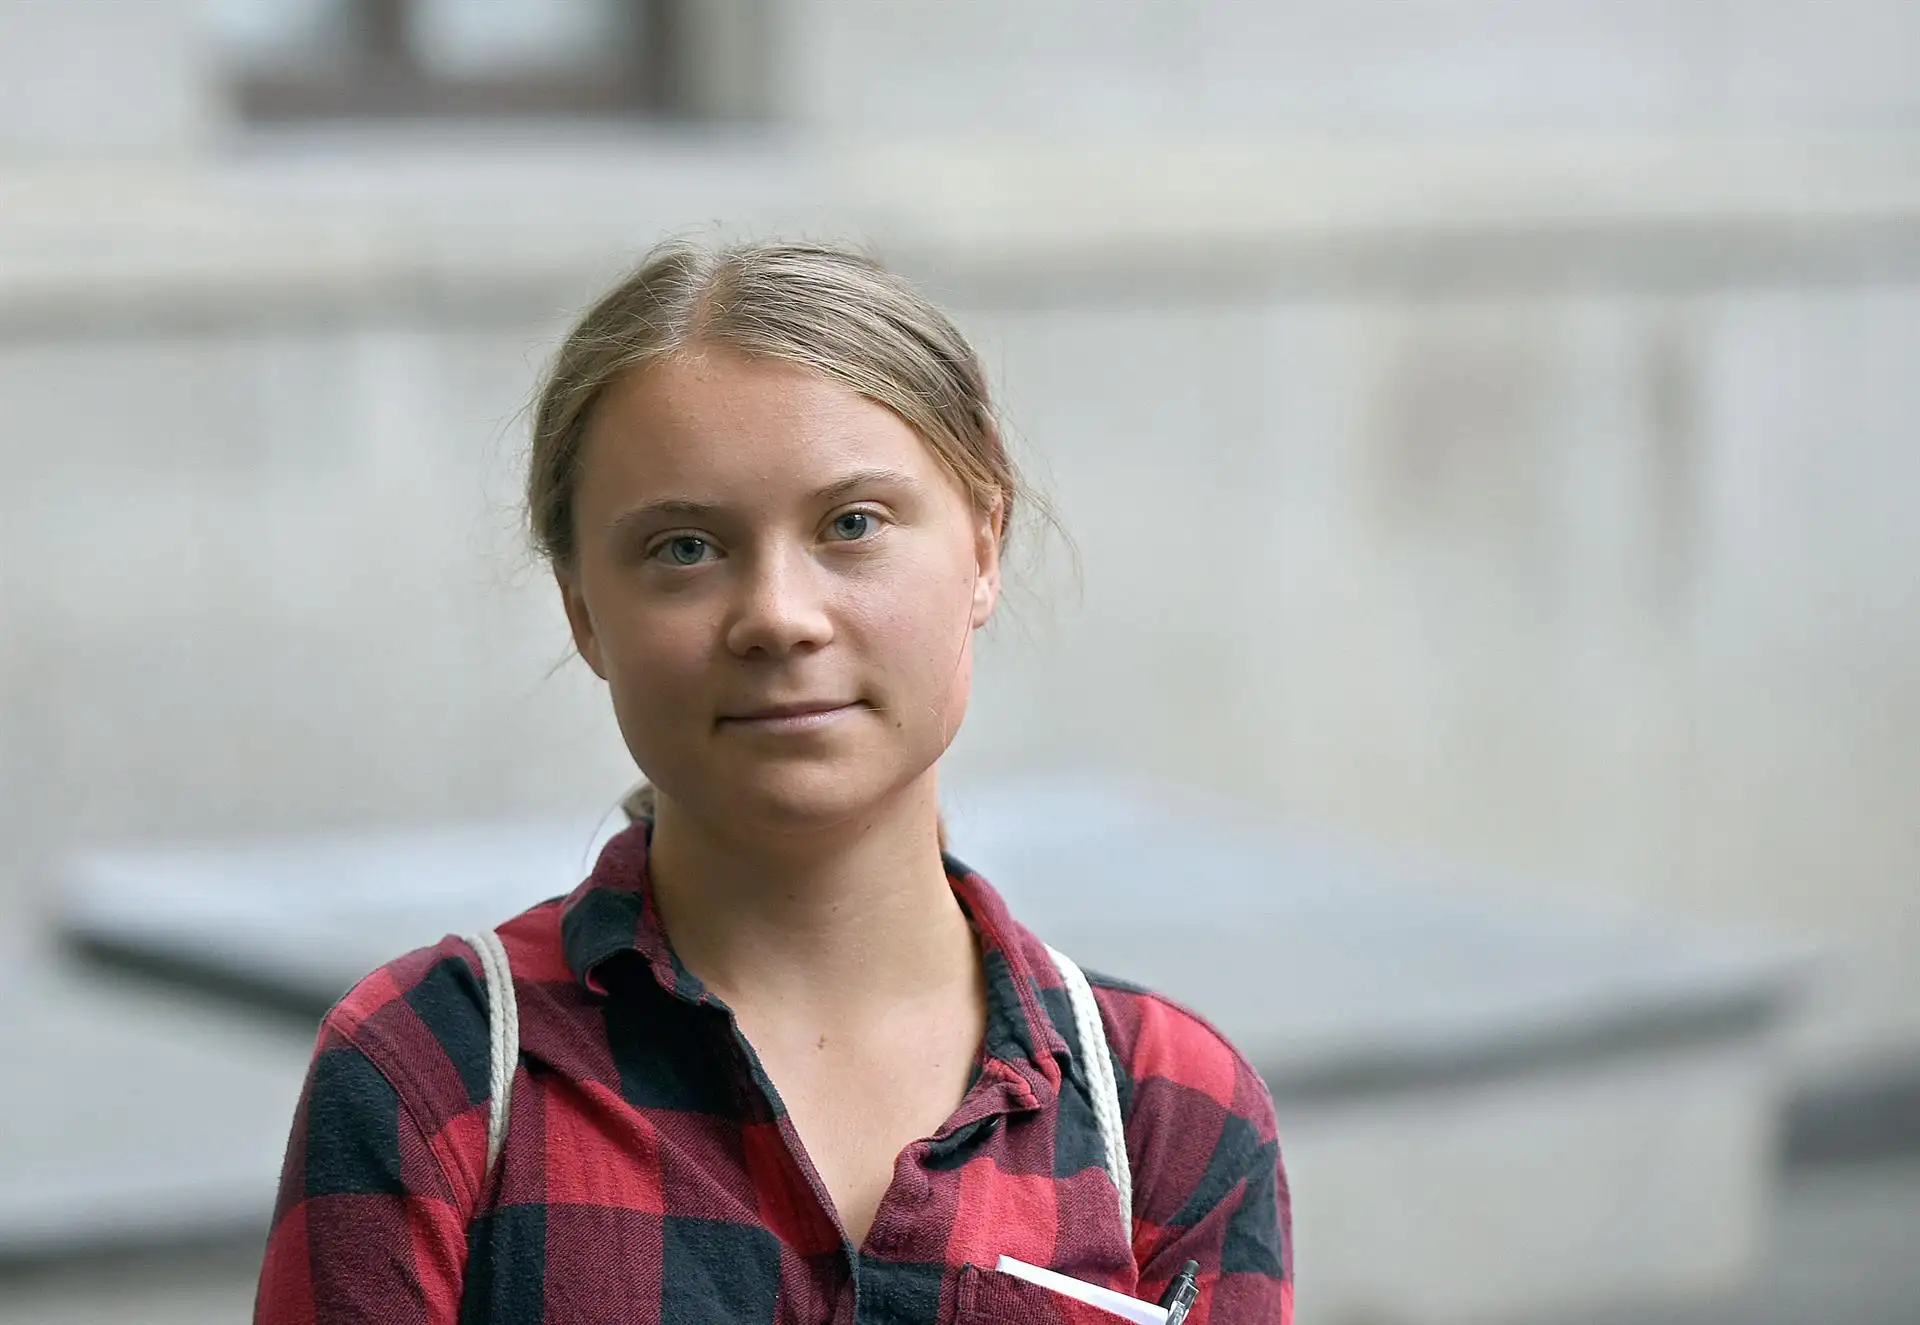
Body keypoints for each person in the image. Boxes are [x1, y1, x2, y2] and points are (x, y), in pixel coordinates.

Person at [253, 239, 1292, 1324]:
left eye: (852, 524)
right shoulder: (436, 1072)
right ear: (582, 611)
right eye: (685, 547)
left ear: (984, 543)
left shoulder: (1166, 1108)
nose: (780, 617)